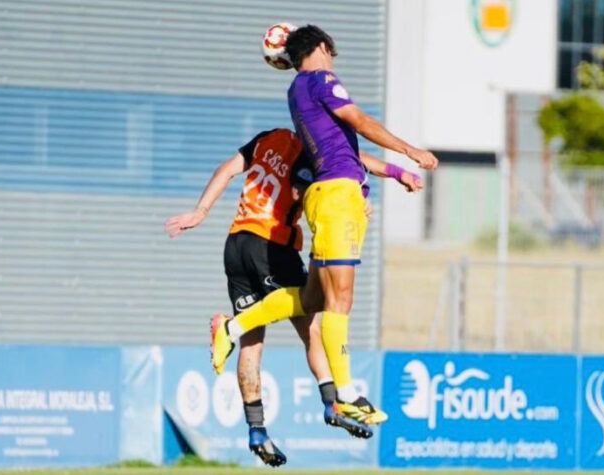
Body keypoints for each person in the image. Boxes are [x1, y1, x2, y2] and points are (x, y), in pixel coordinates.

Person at [210, 24, 438, 426]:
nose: (333, 59)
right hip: (337, 198)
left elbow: (345, 147)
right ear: (321, 47)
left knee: (312, 298)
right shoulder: (321, 79)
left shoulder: (298, 90)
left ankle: (235, 325)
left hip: (333, 195)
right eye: (331, 51)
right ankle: (347, 395)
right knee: (341, 298)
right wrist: (410, 150)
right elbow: (361, 121)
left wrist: (395, 172)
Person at [166, 128, 421, 466]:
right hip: (273, 244)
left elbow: (226, 169)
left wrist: (200, 211)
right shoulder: (313, 151)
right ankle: (333, 402)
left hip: (236, 244)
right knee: (311, 320)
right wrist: (355, 196)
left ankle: (257, 430)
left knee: (252, 343)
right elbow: (325, 179)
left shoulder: (266, 139)